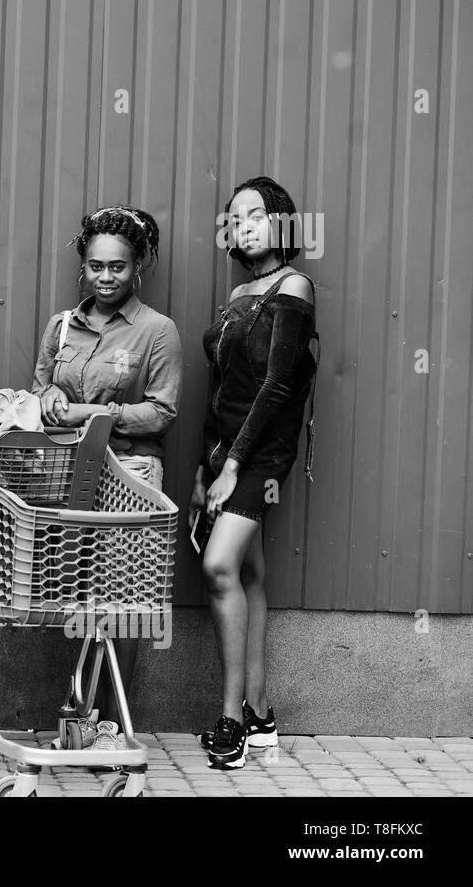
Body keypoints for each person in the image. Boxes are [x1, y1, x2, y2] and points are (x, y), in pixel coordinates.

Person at [34, 206, 181, 751]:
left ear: (136, 267)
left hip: (131, 471)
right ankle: (80, 719)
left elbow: (163, 413)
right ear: (83, 268)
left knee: (123, 599)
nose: (106, 276)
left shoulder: (156, 331)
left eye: (117, 266)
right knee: (77, 595)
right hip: (70, 471)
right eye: (96, 265)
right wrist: (51, 398)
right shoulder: (61, 326)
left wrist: (95, 416)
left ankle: (115, 724)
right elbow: (42, 387)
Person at [196, 176, 317, 770]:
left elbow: (277, 386)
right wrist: (205, 465)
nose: (242, 225)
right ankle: (264, 715)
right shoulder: (240, 293)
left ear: (283, 223)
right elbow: (220, 389)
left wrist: (234, 466)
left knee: (219, 565)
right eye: (234, 217)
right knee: (249, 570)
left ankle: (231, 720)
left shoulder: (294, 287)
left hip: (261, 455)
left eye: (255, 214)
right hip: (224, 454)